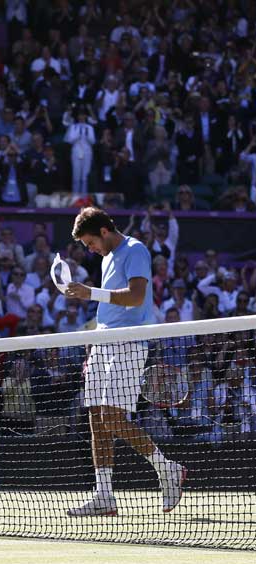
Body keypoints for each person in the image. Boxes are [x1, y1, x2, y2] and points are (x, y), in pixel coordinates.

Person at [64, 207, 185, 516]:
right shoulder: (106, 258)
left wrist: (90, 293)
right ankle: (104, 496)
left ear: (104, 231)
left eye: (90, 242)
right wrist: (93, 343)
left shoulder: (136, 249)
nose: (90, 249)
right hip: (102, 343)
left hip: (129, 343)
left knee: (113, 418)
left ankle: (167, 468)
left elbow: (135, 296)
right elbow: (109, 311)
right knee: (96, 420)